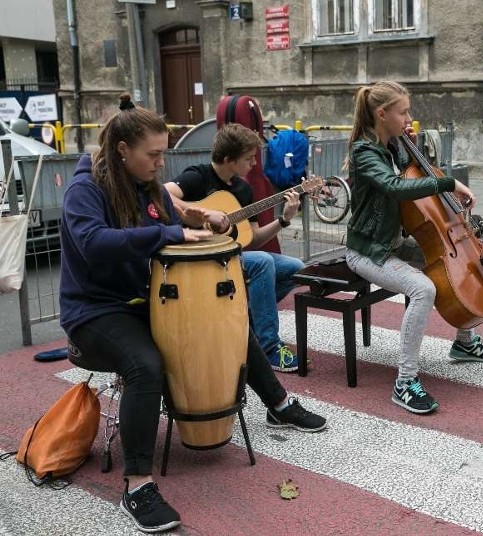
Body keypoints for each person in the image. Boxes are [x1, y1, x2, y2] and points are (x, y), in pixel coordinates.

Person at [59, 105, 326, 534]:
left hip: (138, 303)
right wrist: (172, 232)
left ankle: (277, 404)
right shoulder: (86, 189)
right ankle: (138, 483)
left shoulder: (145, 183)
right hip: (92, 313)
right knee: (144, 365)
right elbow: (93, 242)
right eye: (153, 154)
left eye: (164, 153)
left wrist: (204, 216)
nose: (161, 163)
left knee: (227, 326)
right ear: (123, 150)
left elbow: (177, 210)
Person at [344, 80, 483, 415]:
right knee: (423, 289)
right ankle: (405, 383)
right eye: (403, 112)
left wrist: (413, 150)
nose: (408, 117)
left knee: (457, 266)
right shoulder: (364, 152)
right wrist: (448, 182)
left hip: (395, 242)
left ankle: (464, 342)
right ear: (382, 114)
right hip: (369, 251)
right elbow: (395, 187)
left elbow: (414, 175)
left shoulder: (395, 146)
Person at [165, 123, 305, 373]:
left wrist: (283, 219)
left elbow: (253, 239)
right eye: (249, 159)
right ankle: (269, 346)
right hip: (202, 256)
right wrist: (206, 213)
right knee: (262, 262)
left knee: (295, 268)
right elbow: (163, 194)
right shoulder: (198, 176)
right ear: (229, 159)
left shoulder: (243, 189)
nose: (254, 164)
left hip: (233, 255)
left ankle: (247, 322)